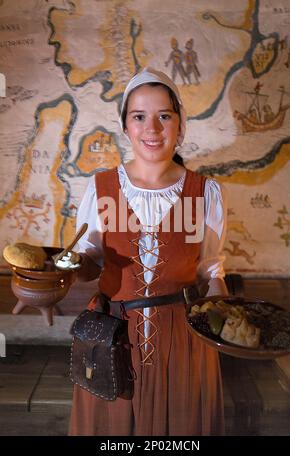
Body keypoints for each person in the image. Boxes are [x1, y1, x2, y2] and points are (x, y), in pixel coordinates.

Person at [68, 67, 228, 436]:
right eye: (139, 116)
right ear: (125, 126)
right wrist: (62, 270)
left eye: (164, 116)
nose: (151, 128)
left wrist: (226, 326)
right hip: (112, 335)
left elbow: (210, 270)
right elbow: (89, 262)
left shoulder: (206, 192)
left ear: (180, 124)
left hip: (184, 337)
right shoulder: (100, 188)